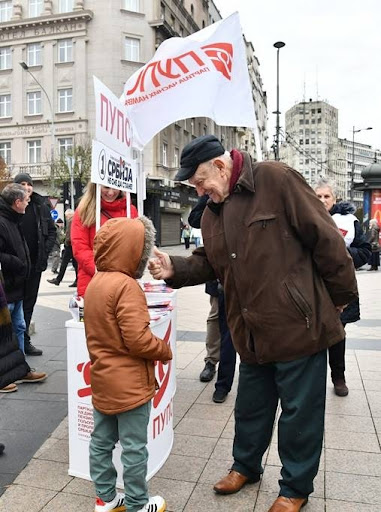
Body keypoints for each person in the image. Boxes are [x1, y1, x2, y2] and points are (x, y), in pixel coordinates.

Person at [149, 135, 358, 512]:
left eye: (199, 181)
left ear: (220, 164)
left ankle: (295, 488)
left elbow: (326, 239)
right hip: (251, 333)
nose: (199, 191)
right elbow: (210, 261)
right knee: (250, 408)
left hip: (298, 327)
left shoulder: (276, 180)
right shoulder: (213, 211)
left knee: (299, 416)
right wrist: (173, 268)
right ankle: (245, 466)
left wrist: (340, 298)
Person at [84, 216, 172, 512]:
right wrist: (163, 350)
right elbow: (137, 340)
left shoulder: (96, 282)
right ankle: (136, 504)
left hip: (103, 379)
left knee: (101, 441)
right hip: (131, 384)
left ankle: (106, 498)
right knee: (134, 447)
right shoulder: (126, 286)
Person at [315, 178, 371, 397]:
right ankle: (314, 380)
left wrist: (342, 254)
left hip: (340, 289)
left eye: (326, 196)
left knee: (337, 335)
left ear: (334, 198)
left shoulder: (348, 221)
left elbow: (365, 252)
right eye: (318, 196)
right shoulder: (304, 216)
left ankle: (339, 377)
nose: (322, 200)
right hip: (313, 288)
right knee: (314, 336)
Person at [188, 194, 236, 400]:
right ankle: (213, 364)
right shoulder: (211, 197)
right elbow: (194, 219)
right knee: (218, 322)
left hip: (248, 277)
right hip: (218, 276)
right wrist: (210, 201)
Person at [0, 184, 47, 385]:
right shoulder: (3, 221)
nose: (28, 202)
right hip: (7, 286)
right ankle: (5, 376)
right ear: (17, 202)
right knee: (5, 333)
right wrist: (16, 263)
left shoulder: (13, 219)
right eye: (26, 200)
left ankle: (21, 369)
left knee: (19, 326)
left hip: (18, 285)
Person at [14, 173, 56, 356]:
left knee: (29, 304)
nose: (27, 187)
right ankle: (13, 343)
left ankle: (25, 341)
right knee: (14, 304)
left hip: (35, 265)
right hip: (15, 267)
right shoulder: (10, 206)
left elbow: (52, 232)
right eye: (22, 184)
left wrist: (45, 253)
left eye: (29, 184)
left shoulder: (41, 206)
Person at [71, 183, 138, 298]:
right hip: (92, 279)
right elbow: (80, 247)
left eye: (115, 187)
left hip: (123, 279)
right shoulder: (84, 210)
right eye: (106, 187)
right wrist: (101, 270)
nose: (111, 192)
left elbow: (136, 245)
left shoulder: (130, 210)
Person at [47, 209, 78, 287]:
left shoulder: (71, 221)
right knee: (75, 264)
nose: (66, 217)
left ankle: (58, 280)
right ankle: (77, 280)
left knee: (64, 263)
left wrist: (66, 242)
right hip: (73, 245)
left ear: (70, 215)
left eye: (66, 216)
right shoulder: (74, 220)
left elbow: (69, 233)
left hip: (70, 245)